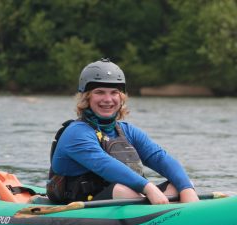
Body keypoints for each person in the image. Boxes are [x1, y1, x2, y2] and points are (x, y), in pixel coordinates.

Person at [47, 58, 199, 204]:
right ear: (86, 97)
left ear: (121, 98)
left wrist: (186, 188)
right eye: (99, 92)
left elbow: (159, 158)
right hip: (82, 204)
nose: (108, 99)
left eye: (114, 93)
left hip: (129, 197)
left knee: (179, 184)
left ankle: (185, 214)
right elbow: (104, 165)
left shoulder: (127, 131)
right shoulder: (76, 133)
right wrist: (148, 188)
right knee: (122, 191)